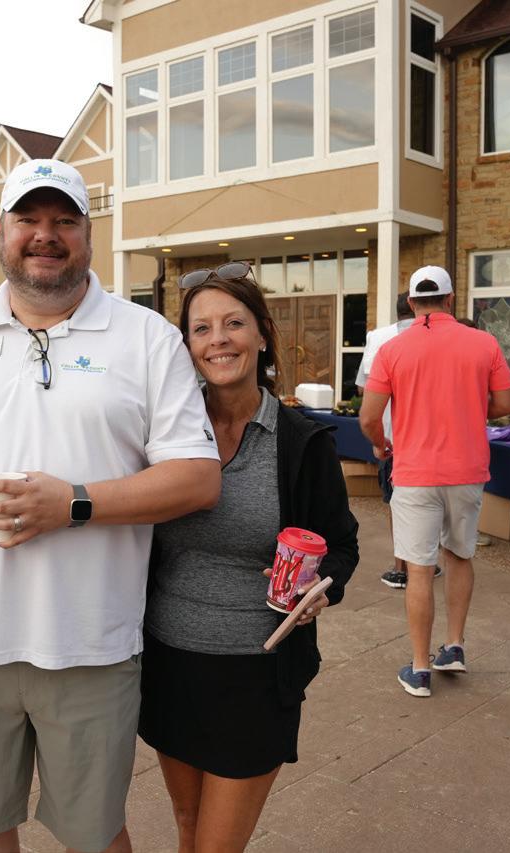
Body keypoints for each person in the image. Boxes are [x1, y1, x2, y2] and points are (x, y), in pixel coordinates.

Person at [0, 158, 222, 853]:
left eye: (65, 220)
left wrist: (72, 503)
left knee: (94, 835)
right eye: (29, 219)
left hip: (91, 643)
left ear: (89, 235)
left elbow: (196, 477)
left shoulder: (145, 337)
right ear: (0, 232)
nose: (46, 235)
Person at [140, 265, 358, 852]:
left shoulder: (301, 442)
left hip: (256, 673)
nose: (219, 340)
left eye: (234, 323)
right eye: (201, 328)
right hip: (168, 665)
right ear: (187, 345)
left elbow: (342, 544)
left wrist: (320, 588)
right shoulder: (166, 432)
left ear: (262, 334)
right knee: (187, 826)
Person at [359, 266, 510, 697]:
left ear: (411, 302)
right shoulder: (483, 343)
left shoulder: (392, 349)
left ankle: (419, 668)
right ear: (450, 300)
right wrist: (468, 406)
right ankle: (455, 646)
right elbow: (507, 402)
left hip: (414, 473)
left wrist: (381, 445)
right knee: (460, 556)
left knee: (419, 569)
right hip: (467, 470)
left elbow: (369, 417)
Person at [355, 294, 437, 589]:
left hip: (391, 435)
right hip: (431, 436)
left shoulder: (378, 338)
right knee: (430, 501)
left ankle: (401, 567)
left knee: (396, 502)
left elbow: (364, 389)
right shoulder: (438, 338)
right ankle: (426, 562)